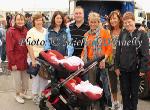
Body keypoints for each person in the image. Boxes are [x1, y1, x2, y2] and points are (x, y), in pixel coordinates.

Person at [115, 12, 149, 110]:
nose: (127, 24)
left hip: (136, 70)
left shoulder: (142, 34)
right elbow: (118, 51)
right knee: (125, 93)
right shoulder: (123, 34)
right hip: (123, 70)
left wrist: (143, 69)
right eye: (125, 23)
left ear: (134, 21)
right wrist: (117, 66)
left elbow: (145, 54)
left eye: (129, 22)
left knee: (134, 94)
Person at [81, 12, 112, 110]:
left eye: (95, 22)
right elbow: (84, 50)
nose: (93, 24)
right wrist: (82, 58)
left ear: (98, 22)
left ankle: (104, 105)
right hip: (90, 64)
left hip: (101, 62)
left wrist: (104, 59)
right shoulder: (86, 34)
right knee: (92, 86)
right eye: (91, 22)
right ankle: (93, 105)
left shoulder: (104, 32)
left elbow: (109, 48)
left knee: (103, 86)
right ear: (89, 22)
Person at [6, 13, 32, 104]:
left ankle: (23, 93)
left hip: (24, 60)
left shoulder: (26, 30)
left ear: (24, 21)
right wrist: (12, 63)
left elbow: (28, 45)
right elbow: (9, 49)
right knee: (17, 80)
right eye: (18, 19)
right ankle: (17, 94)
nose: (20, 21)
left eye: (22, 20)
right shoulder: (11, 31)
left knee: (25, 79)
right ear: (15, 21)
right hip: (16, 60)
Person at [26, 13, 48, 105]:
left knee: (44, 78)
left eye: (40, 20)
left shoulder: (46, 31)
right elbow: (29, 46)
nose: (39, 21)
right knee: (37, 79)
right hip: (34, 58)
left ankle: (42, 95)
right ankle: (35, 95)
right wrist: (33, 60)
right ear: (34, 21)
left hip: (45, 59)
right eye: (37, 20)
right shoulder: (31, 31)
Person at [108, 10, 123, 109]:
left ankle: (122, 103)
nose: (112, 20)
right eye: (111, 19)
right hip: (110, 61)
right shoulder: (108, 32)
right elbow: (106, 46)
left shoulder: (124, 31)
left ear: (119, 19)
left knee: (123, 84)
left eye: (114, 18)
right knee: (113, 84)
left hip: (122, 61)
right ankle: (115, 103)